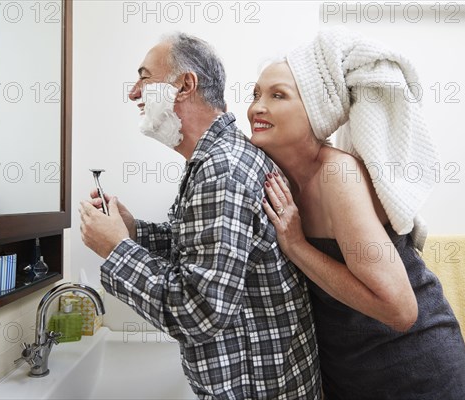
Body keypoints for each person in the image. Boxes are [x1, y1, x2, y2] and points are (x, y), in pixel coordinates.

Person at [79, 32, 320, 399]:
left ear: (184, 85)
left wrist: (116, 250)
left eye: (144, 77)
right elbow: (197, 249)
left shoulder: (222, 170)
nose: (133, 92)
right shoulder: (216, 159)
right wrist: (133, 232)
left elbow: (199, 311)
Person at [247, 28, 465, 399]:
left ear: (315, 110)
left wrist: (297, 245)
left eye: (277, 95)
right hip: (348, 374)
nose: (257, 106)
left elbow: (400, 309)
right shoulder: (279, 177)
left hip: (414, 370)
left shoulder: (338, 175)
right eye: (255, 94)